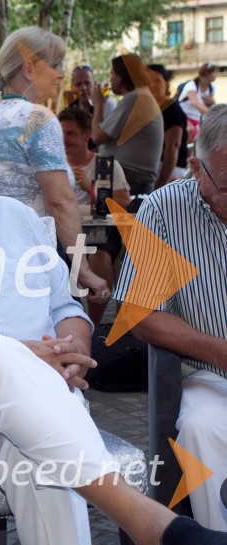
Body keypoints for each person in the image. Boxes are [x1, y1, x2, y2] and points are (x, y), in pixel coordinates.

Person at [0, 107, 227, 545]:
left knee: (36, 449)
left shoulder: (18, 218)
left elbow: (66, 307)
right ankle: (147, 521)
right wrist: (21, 356)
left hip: (34, 396)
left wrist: (73, 354)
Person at [115, 106, 227, 531]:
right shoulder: (163, 210)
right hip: (208, 372)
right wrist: (220, 352)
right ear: (196, 168)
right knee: (202, 427)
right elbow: (139, 313)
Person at [0, 26, 109, 302]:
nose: (62, 74)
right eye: (56, 64)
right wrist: (82, 270)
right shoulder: (38, 118)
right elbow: (59, 201)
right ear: (29, 68)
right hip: (34, 260)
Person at [59, 107, 130, 325]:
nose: (64, 139)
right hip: (65, 229)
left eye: (70, 133)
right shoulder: (54, 168)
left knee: (99, 254)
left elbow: (123, 203)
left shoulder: (104, 165)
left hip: (101, 229)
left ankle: (94, 323)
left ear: (86, 135)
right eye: (61, 133)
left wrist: (90, 188)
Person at [91, 54, 163, 196]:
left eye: (112, 74)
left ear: (121, 76)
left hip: (130, 178)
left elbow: (97, 137)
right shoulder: (140, 96)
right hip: (133, 178)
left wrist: (98, 104)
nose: (110, 79)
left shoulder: (135, 98)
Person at [146, 64, 189, 188]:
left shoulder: (171, 109)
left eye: (156, 81)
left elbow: (173, 146)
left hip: (169, 171)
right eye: (147, 82)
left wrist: (162, 183)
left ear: (166, 85)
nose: (152, 85)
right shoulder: (150, 108)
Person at [177, 62, 218, 141]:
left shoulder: (211, 88)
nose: (216, 75)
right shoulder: (192, 85)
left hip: (196, 118)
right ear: (207, 74)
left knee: (198, 141)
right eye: (215, 72)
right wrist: (214, 114)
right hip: (183, 115)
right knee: (190, 129)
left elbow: (209, 105)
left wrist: (212, 102)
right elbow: (196, 104)